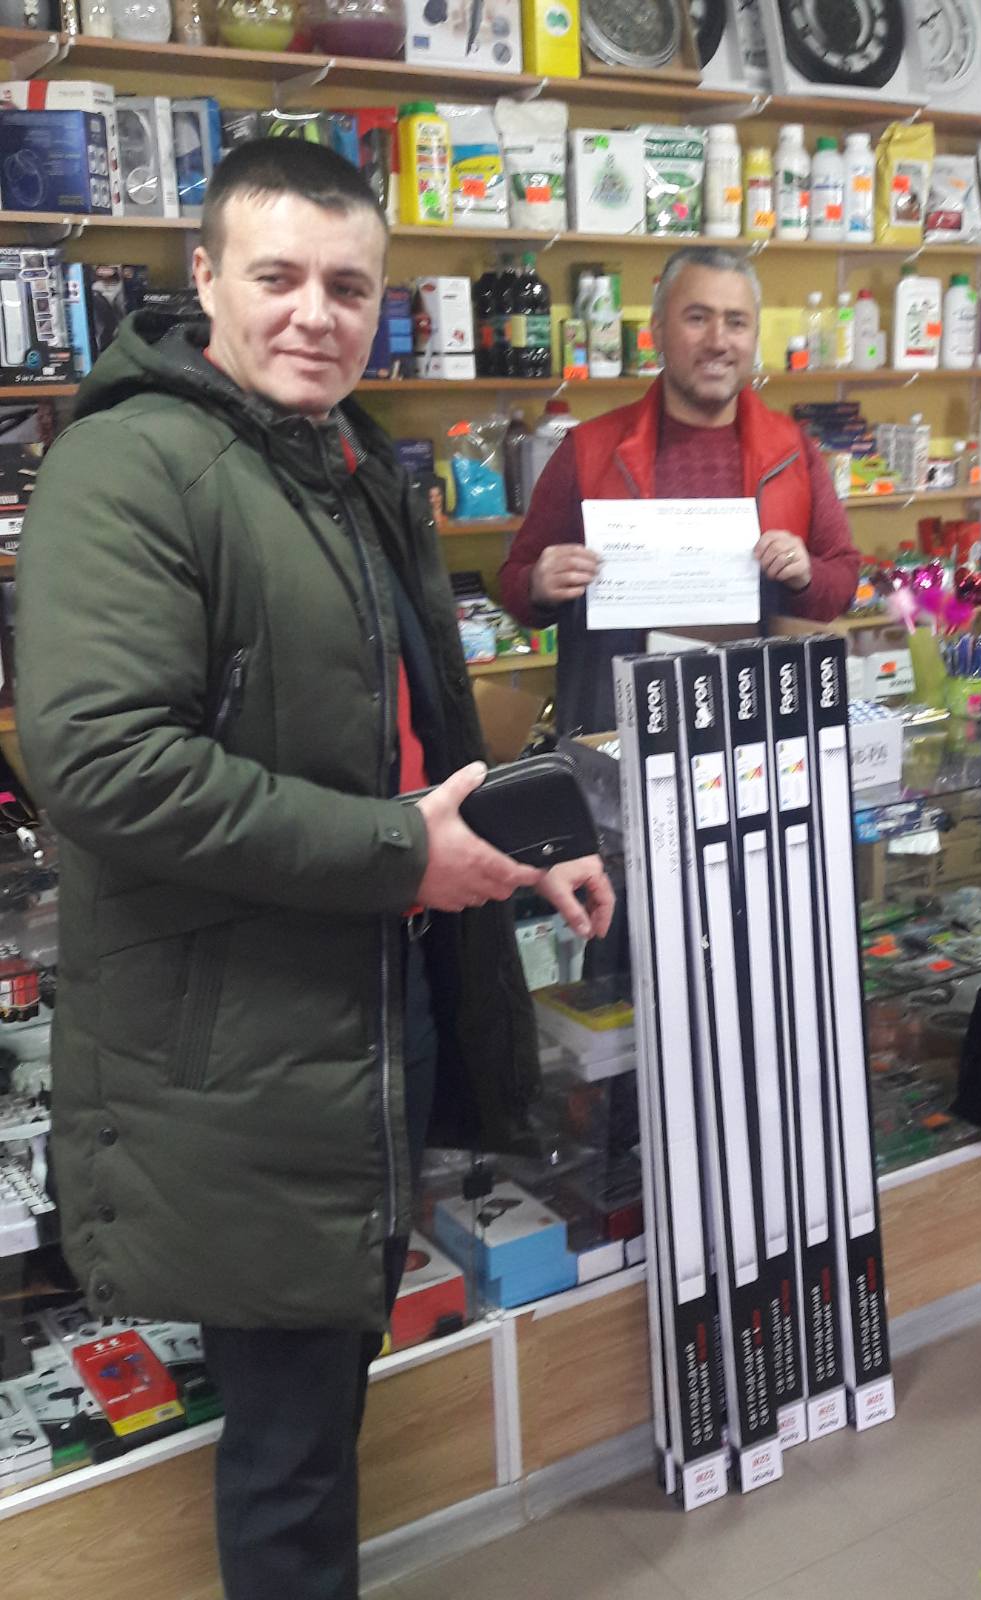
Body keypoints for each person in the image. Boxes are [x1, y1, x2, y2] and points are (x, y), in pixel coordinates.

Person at [15, 139, 614, 1598]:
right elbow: (102, 765)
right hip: (241, 1051)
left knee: (321, 1414)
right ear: (205, 277)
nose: (314, 314)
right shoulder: (130, 463)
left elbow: (405, 735)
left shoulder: (347, 463)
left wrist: (519, 849)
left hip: (358, 1016)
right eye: (277, 276)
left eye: (348, 287)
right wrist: (406, 854)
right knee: (288, 1457)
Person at [498, 244, 861, 734]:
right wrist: (539, 584)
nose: (718, 341)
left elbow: (841, 583)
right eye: (697, 318)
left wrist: (805, 574)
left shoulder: (792, 451)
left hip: (753, 727)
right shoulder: (588, 449)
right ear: (658, 330)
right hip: (619, 730)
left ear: (753, 337)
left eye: (736, 322)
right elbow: (515, 586)